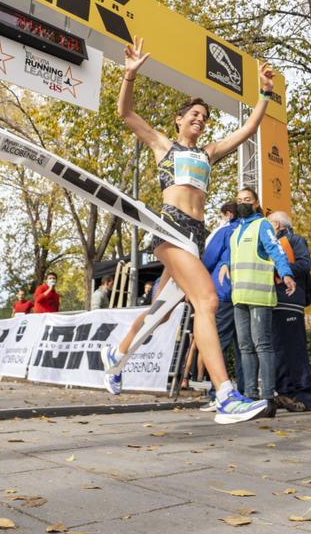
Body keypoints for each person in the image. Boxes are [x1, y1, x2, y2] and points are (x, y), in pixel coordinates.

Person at [101, 35, 278, 424]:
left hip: (194, 237)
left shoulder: (208, 153)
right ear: (179, 120)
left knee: (161, 311)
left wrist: (264, 93)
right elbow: (126, 114)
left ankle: (117, 356)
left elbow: (247, 129)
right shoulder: (165, 146)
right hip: (171, 228)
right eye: (193, 115)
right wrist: (129, 76)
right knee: (208, 301)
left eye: (204, 117)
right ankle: (226, 394)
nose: (199, 119)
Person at [228, 187, 295, 410]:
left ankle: (267, 397)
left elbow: (276, 250)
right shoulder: (236, 230)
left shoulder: (262, 225)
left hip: (259, 296)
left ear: (256, 203)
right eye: (239, 200)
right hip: (239, 297)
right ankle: (249, 394)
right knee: (245, 346)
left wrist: (286, 273)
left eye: (247, 199)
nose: (242, 203)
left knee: (262, 345)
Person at [269, 210, 311, 412]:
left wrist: (280, 267)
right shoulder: (268, 246)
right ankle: (284, 394)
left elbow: (304, 265)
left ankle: (303, 395)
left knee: (295, 350)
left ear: (277, 225)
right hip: (273, 301)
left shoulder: (295, 240)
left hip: (290, 300)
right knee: (278, 350)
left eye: (269, 223)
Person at [199, 201, 243, 410]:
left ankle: (216, 393)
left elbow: (207, 260)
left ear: (227, 214)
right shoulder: (248, 229)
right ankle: (244, 390)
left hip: (224, 292)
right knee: (243, 346)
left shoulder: (224, 230)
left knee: (219, 344)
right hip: (244, 293)